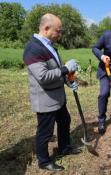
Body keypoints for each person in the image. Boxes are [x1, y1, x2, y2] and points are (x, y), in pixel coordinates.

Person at [23, 13, 81, 172]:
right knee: (45, 132)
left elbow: (56, 70)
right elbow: (42, 77)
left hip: (58, 98)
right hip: (45, 99)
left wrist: (69, 79)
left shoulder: (49, 46)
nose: (60, 34)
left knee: (64, 121)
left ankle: (64, 147)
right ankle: (43, 161)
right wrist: (65, 68)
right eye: (58, 31)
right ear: (47, 28)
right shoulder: (33, 48)